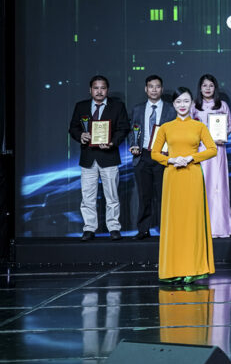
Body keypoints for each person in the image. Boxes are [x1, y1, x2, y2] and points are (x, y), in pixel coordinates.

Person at [150, 87, 218, 284]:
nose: (182, 105)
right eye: (179, 101)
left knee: (192, 222)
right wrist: (170, 160)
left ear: (192, 103)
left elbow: (212, 149)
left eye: (186, 101)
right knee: (174, 223)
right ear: (173, 104)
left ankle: (193, 268)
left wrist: (191, 157)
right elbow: (154, 153)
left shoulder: (199, 126)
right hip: (172, 176)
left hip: (192, 174)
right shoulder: (166, 127)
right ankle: (173, 269)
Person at [68, 75, 130, 240]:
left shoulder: (117, 106)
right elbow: (73, 128)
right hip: (88, 158)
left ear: (107, 90)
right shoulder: (81, 106)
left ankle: (114, 227)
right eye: (96, 88)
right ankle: (89, 228)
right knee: (87, 196)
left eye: (103, 88)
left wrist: (112, 142)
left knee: (112, 196)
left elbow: (124, 128)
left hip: (109, 157)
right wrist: (80, 135)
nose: (99, 91)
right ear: (90, 90)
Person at [128, 74, 176, 239]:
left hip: (163, 156)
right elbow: (133, 130)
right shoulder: (138, 109)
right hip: (143, 155)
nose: (154, 90)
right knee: (144, 195)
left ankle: (167, 229)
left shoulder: (171, 109)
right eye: (151, 86)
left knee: (164, 195)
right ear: (146, 89)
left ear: (162, 89)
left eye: (157, 86)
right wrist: (133, 145)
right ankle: (143, 229)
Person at [193, 74, 231, 238]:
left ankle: (221, 227)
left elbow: (230, 126)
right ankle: (202, 227)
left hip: (218, 150)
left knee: (219, 187)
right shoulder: (194, 106)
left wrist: (222, 135)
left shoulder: (222, 105)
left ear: (215, 88)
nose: (208, 88)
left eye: (211, 85)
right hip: (201, 151)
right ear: (200, 88)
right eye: (204, 85)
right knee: (203, 186)